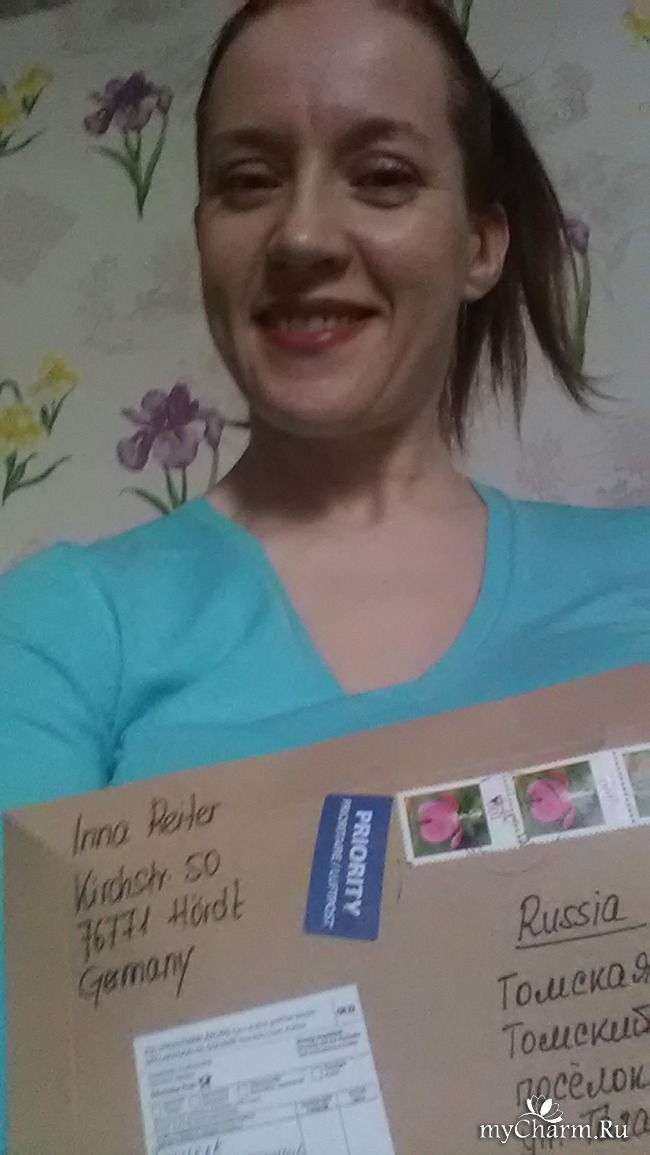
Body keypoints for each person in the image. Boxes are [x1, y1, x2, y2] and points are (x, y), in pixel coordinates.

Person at [0, 0, 648, 1138]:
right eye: (247, 180)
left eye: (382, 175)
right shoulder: (58, 630)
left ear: (479, 244)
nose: (300, 234)